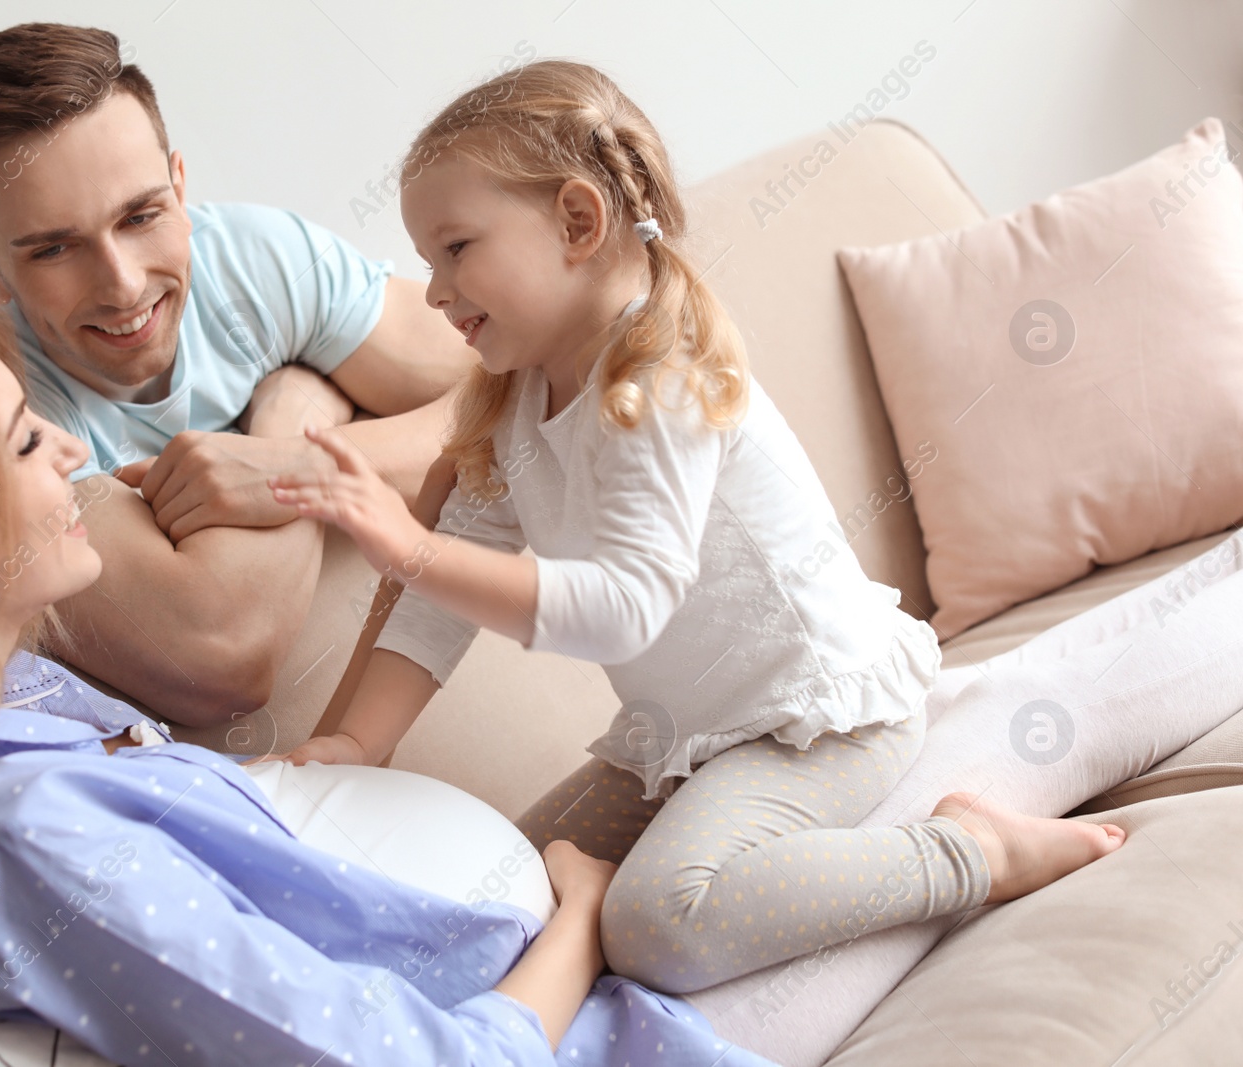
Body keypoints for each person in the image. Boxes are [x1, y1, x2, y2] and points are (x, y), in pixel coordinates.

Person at [0, 265, 778, 1066]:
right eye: (30, 440)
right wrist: (585, 920)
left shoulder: (24, 706)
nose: (73, 452)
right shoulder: (21, 835)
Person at [265, 59, 1126, 994]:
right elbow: (436, 609)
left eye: (456, 248)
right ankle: (584, 905)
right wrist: (356, 745)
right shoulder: (516, 403)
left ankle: (973, 852)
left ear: (578, 221)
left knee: (659, 924)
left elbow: (622, 610)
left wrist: (410, 546)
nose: (433, 290)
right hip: (678, 739)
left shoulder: (659, 383)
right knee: (499, 887)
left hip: (820, 720)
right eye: (427, 260)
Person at [0, 23, 478, 726]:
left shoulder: (255, 259)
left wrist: (293, 457)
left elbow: (526, 379)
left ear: (180, 191)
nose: (122, 287)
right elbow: (220, 658)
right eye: (55, 248)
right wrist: (300, 405)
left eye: (141, 215)